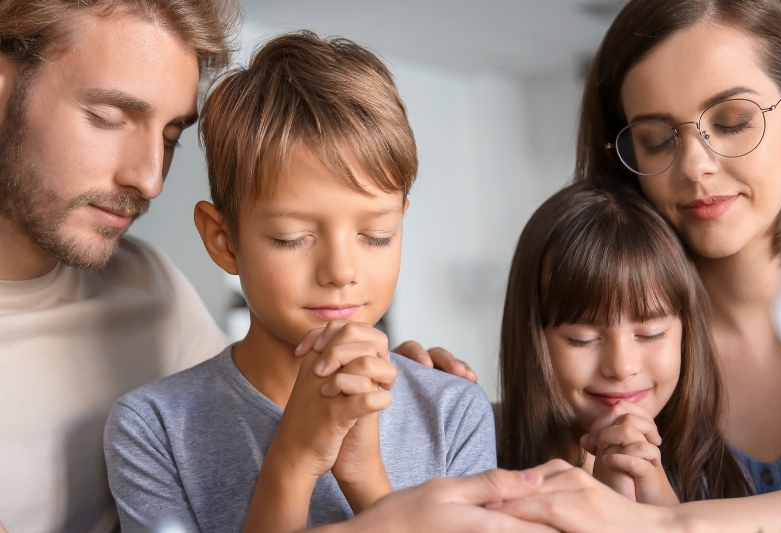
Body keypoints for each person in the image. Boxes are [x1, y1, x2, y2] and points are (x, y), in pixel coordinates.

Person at [392, 0, 781, 529]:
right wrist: (428, 420)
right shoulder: (623, 379)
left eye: (733, 121)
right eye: (656, 139)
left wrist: (669, 526)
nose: (697, 166)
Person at [103, 32, 497, 533]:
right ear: (224, 241)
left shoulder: (450, 410)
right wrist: (292, 459)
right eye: (292, 238)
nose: (341, 271)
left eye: (375, 236)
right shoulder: (153, 427)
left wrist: (365, 478)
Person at [0, 1, 238, 531]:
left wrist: (396, 391)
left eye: (171, 137)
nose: (150, 180)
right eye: (109, 119)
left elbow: (262, 420)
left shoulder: (149, 283)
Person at [498, 181, 751, 504]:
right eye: (582, 339)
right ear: (533, 338)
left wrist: (663, 515)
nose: (621, 367)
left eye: (651, 334)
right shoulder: (477, 453)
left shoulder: (722, 480)